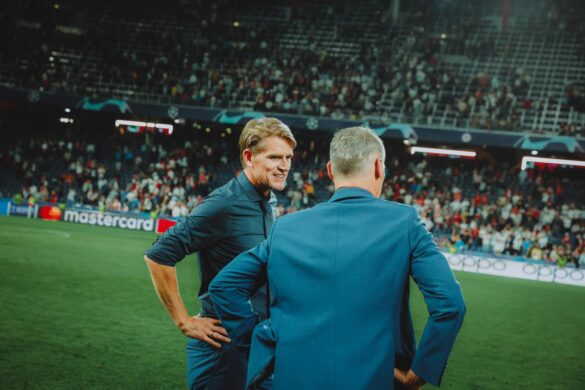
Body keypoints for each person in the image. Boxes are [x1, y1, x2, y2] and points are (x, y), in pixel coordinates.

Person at [209, 126, 466, 389]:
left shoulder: (286, 227)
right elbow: (449, 304)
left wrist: (257, 345)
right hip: (373, 380)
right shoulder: (405, 222)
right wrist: (419, 372)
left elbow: (224, 286)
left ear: (331, 171)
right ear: (379, 167)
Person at [144, 117, 296, 390]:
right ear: (249, 157)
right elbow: (159, 254)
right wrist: (184, 320)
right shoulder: (223, 204)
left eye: (288, 157)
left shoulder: (267, 200)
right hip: (222, 349)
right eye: (274, 157)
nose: (284, 166)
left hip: (256, 343)